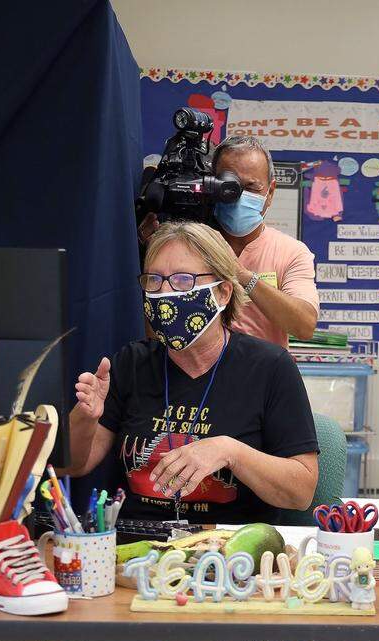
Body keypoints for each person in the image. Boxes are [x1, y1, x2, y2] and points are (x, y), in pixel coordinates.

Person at [68, 221, 319, 523]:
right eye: (154, 280)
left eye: (183, 280)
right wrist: (86, 417)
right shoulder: (131, 363)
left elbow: (301, 492)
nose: (164, 294)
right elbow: (72, 466)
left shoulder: (270, 367)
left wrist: (231, 452)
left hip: (231, 555)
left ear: (223, 293)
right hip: (136, 551)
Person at [139, 135, 319, 348]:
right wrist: (150, 251)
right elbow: (158, 327)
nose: (239, 196)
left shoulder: (292, 252)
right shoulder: (188, 245)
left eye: (251, 188)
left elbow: (304, 326)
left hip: (260, 376)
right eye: (229, 186)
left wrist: (242, 276)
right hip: (196, 375)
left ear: (270, 192)